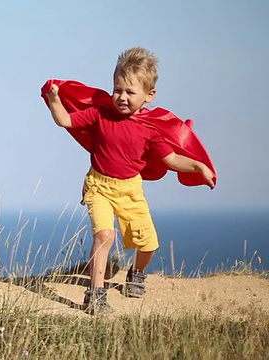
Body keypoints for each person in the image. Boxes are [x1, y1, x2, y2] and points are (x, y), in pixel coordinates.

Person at [42, 47, 216, 315]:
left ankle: (136, 273)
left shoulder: (150, 128)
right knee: (105, 235)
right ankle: (95, 294)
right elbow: (64, 120)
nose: (121, 97)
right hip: (98, 186)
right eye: (117, 90)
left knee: (148, 244)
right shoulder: (100, 114)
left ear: (149, 95)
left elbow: (171, 160)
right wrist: (54, 99)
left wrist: (198, 166)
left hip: (130, 190)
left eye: (130, 92)